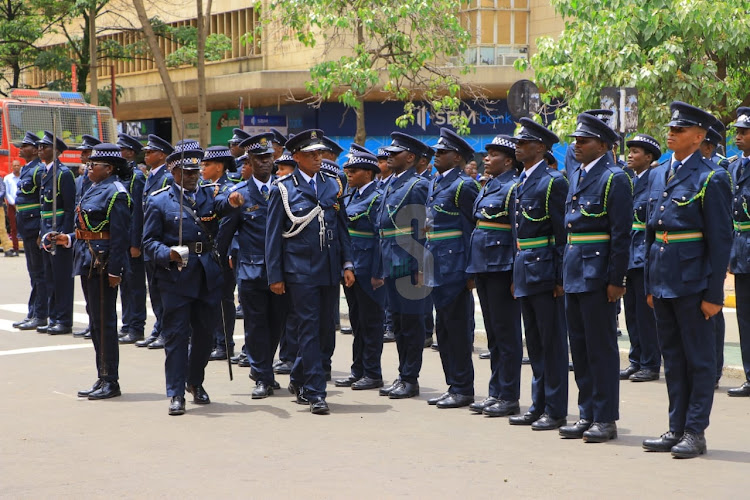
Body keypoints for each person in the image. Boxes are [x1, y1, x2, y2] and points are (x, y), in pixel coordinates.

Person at [642, 102, 732, 458]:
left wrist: (714, 294)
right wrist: (650, 284)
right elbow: (651, 233)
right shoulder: (656, 173)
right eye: (671, 129)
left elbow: (720, 239)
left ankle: (695, 431)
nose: (671, 133)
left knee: (699, 359)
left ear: (698, 138)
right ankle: (675, 427)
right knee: (673, 358)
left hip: (694, 281)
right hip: (663, 278)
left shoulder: (712, 177)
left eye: (679, 130)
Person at [142, 142, 244, 415]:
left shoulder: (210, 195)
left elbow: (223, 205)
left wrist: (233, 203)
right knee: (176, 335)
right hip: (175, 277)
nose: (191, 176)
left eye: (195, 172)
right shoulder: (159, 201)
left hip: (207, 274)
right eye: (185, 172)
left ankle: (194, 381)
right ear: (173, 172)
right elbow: (148, 243)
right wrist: (167, 253)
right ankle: (176, 393)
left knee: (205, 337)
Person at [265, 129, 355, 415]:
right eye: (312, 154)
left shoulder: (333, 184)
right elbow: (273, 236)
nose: (319, 158)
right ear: (297, 157)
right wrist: (275, 276)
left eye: (320, 153)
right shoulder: (283, 188)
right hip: (299, 269)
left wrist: (347, 263)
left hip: (328, 268)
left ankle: (298, 377)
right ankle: (316, 391)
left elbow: (342, 228)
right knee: (308, 329)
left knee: (326, 330)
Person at [558, 113, 632, 443]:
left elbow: (620, 234)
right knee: (581, 348)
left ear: (602, 145)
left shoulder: (614, 178)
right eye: (575, 140)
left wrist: (617, 279)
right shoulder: (578, 175)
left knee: (601, 349)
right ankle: (586, 412)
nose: (577, 145)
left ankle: (605, 417)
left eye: (583, 140)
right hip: (575, 269)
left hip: (598, 273)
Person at [55, 144, 132, 400]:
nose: (88, 168)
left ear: (108, 168)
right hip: (88, 260)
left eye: (93, 165)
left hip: (103, 263)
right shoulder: (94, 187)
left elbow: (120, 237)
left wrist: (115, 270)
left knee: (105, 323)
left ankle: (111, 380)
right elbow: (86, 228)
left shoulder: (116, 193)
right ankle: (102, 376)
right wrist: (67, 238)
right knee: (95, 322)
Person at [508, 119, 570, 430]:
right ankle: (539, 403)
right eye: (518, 142)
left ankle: (556, 408)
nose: (517, 146)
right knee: (534, 342)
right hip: (525, 269)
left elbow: (562, 235)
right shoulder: (521, 183)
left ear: (541, 148)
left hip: (545, 271)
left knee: (552, 342)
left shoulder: (553, 181)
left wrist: (560, 277)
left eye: (524, 142)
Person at [217, 133, 288, 398]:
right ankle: (263, 376)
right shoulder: (239, 195)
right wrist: (219, 268)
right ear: (249, 160)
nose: (265, 162)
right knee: (256, 324)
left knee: (276, 324)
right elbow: (225, 235)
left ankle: (263, 369)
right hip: (250, 270)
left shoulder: (285, 190)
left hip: (279, 271)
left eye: (268, 157)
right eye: (259, 158)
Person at [421, 128, 480, 409]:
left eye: (442, 152)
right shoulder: (435, 182)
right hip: (436, 263)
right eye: (436, 151)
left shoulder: (464, 185)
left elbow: (472, 229)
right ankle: (452, 384)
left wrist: (471, 271)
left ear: (456, 157)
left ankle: (463, 387)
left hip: (456, 266)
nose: (436, 155)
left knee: (457, 329)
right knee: (442, 329)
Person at [466, 134, 522, 416]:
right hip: (485, 265)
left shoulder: (514, 187)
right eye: (486, 154)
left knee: (506, 334)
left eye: (493, 155)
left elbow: (516, 234)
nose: (486, 159)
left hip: (502, 267)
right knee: (493, 335)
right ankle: (496, 391)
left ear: (508, 160)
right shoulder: (490, 186)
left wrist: (515, 274)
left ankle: (509, 395)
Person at [376, 132, 430, 400]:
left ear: (410, 157)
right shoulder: (391, 183)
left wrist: (421, 267)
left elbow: (423, 230)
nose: (389, 157)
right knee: (397, 323)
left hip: (409, 262)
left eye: (395, 153)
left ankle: (411, 378)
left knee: (411, 323)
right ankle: (402, 375)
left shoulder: (418, 185)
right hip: (390, 260)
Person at [335, 146, 386, 391]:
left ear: (369, 172)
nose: (349, 174)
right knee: (357, 322)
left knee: (372, 323)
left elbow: (380, 239)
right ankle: (358, 370)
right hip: (352, 268)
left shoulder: (377, 196)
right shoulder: (352, 195)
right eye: (347, 170)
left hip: (369, 270)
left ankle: (373, 372)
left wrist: (378, 273)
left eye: (353, 171)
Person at [620, 134, 662, 383]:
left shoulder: (654, 181)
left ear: (649, 157)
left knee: (646, 314)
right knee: (632, 312)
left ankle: (650, 363)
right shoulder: (629, 181)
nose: (630, 156)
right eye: (630, 151)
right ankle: (636, 359)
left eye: (636, 152)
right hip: (629, 253)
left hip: (644, 254)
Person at [135, 134, 174, 349]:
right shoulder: (150, 176)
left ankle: (166, 330)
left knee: (162, 288)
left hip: (160, 239)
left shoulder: (167, 177)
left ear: (162, 155)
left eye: (150, 152)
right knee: (155, 289)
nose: (146, 155)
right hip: (150, 239)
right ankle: (159, 326)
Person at [202, 145, 240, 361]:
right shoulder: (204, 188)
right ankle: (214, 341)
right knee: (208, 298)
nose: (202, 168)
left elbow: (227, 225)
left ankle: (225, 344)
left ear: (219, 167)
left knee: (223, 299)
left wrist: (220, 251)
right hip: (206, 252)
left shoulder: (228, 191)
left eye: (207, 165)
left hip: (222, 253)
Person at [37, 131, 77, 336]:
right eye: (40, 146)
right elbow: (44, 207)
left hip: (59, 232)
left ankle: (63, 319)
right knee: (49, 278)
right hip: (47, 232)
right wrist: (42, 233)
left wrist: (64, 234)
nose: (40, 149)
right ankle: (53, 317)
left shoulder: (64, 174)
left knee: (62, 279)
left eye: (45, 147)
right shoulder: (45, 172)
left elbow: (69, 208)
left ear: (57, 151)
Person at [11, 132, 48, 331]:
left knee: (39, 273)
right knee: (34, 273)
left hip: (35, 228)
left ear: (34, 149)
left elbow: (44, 202)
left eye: (24, 146)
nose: (20, 149)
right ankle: (34, 312)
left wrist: (43, 231)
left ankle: (40, 314)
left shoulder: (39, 170)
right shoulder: (27, 169)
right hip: (26, 227)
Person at [116, 133, 148, 345]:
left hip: (132, 241)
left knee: (135, 285)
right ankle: (127, 324)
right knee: (124, 285)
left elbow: (137, 213)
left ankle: (137, 327)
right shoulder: (123, 176)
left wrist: (136, 243)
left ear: (130, 153)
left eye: (121, 150)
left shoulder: (137, 177)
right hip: (122, 240)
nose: (119, 153)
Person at [728, 107, 750, 398]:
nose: (739, 137)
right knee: (744, 318)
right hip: (742, 250)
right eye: (738, 132)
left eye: (744, 133)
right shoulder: (734, 167)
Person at [3, 160, 21, 255]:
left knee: (24, 227)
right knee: (13, 228)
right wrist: (13, 203)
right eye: (15, 165)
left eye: (18, 165)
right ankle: (16, 248)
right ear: (12, 167)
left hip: (23, 205)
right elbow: (7, 193)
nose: (16, 167)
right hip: (11, 205)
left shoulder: (23, 177)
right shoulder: (7, 178)